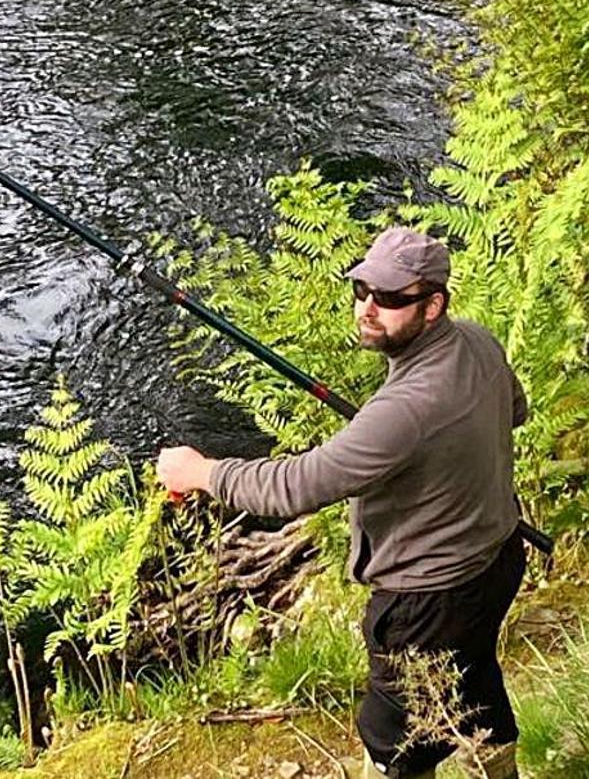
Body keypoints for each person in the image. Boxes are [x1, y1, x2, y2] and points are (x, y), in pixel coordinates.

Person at [156, 227, 526, 779]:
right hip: (497, 560)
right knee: (474, 678)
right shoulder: (476, 342)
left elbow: (299, 486)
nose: (369, 308)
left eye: (393, 299)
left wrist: (204, 471)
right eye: (362, 291)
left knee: (393, 738)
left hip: (426, 601)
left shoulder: (405, 410)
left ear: (433, 306)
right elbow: (515, 411)